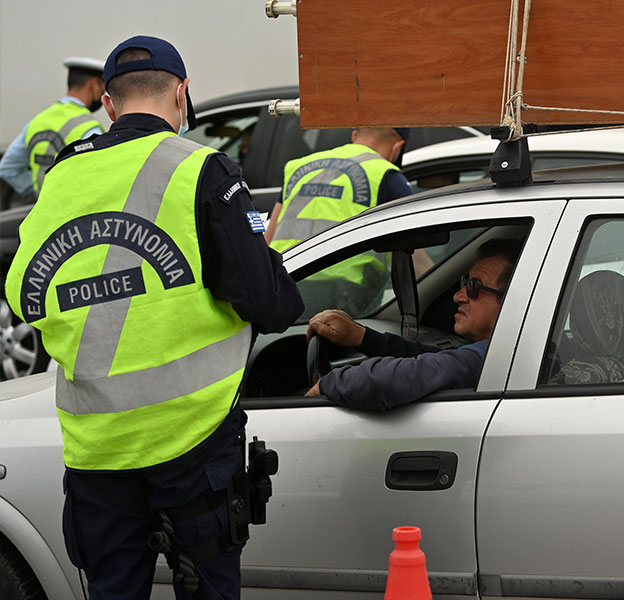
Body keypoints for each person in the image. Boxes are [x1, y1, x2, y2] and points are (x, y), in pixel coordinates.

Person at [4, 35, 303, 600]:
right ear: (183, 95)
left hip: (98, 449)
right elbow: (269, 303)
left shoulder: (63, 179)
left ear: (110, 104)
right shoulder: (202, 170)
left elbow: (25, 297)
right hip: (192, 438)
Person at [305, 238, 522, 410]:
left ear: (510, 301)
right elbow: (434, 358)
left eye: (474, 286)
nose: (458, 296)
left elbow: (394, 379)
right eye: (465, 282)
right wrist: (362, 337)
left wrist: (327, 384)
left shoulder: (492, 359)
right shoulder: (512, 353)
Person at [265, 127, 415, 314]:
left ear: (354, 135)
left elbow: (267, 241)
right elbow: (415, 253)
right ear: (397, 148)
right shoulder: (386, 175)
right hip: (346, 297)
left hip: (285, 284)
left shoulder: (298, 166)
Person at [0, 56, 106, 197]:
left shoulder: (37, 121)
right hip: (75, 215)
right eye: (103, 89)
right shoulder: (89, 128)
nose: (102, 95)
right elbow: (100, 181)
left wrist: (43, 190)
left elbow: (7, 168)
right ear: (94, 84)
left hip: (43, 215)